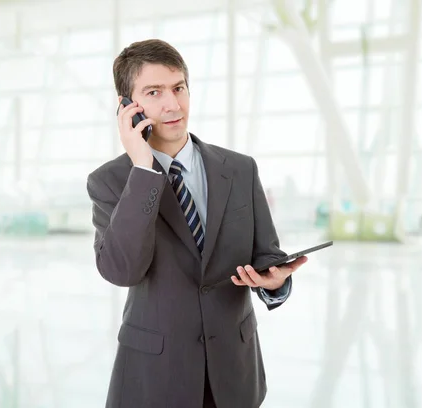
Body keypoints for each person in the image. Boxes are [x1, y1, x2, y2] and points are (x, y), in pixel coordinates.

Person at [86, 39, 308, 408]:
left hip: (235, 375)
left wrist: (275, 284)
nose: (173, 104)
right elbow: (121, 270)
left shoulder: (239, 169)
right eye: (154, 92)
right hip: (154, 379)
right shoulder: (110, 180)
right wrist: (142, 168)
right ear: (127, 106)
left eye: (179, 88)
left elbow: (266, 255)